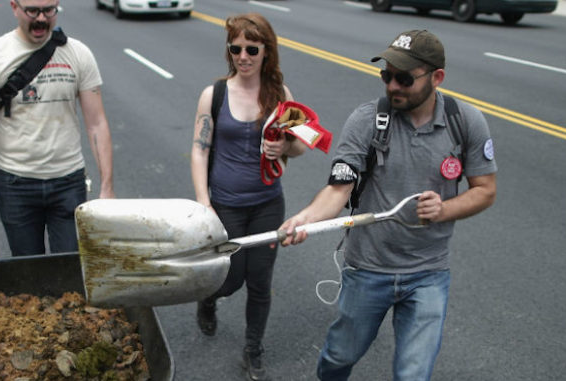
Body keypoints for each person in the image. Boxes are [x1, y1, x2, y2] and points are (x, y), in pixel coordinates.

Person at [280, 30, 497, 381]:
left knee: (413, 373)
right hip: (368, 269)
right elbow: (338, 190)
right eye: (387, 75)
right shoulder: (367, 120)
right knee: (339, 356)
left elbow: (485, 189)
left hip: (428, 273)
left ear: (436, 77)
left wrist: (445, 209)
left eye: (404, 78)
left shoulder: (465, 121)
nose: (393, 85)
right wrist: (305, 219)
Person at [190, 13, 307, 381]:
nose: (243, 56)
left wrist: (284, 145)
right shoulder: (215, 94)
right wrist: (203, 202)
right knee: (230, 279)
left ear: (266, 51)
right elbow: (199, 150)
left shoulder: (281, 95)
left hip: (267, 203)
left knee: (259, 281)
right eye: (235, 48)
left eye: (251, 49)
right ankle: (208, 299)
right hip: (225, 204)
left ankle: (253, 350)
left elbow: (301, 147)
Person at [0, 0, 114, 256]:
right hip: (16, 184)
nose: (42, 19)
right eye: (33, 11)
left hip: (68, 181)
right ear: (14, 7)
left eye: (49, 10)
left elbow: (97, 122)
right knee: (27, 275)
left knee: (67, 272)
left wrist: (107, 187)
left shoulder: (78, 54)